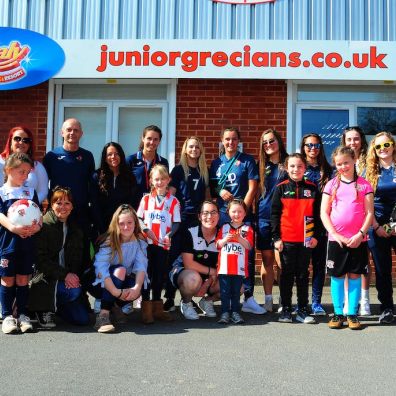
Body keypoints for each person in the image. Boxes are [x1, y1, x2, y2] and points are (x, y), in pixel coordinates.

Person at [209, 127, 264, 315]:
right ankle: (224, 296)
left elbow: (253, 187)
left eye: (233, 139)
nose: (230, 142)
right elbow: (213, 185)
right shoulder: (216, 162)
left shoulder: (247, 160)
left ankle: (248, 296)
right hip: (223, 214)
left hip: (243, 215)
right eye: (227, 139)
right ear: (222, 141)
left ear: (238, 141)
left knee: (246, 255)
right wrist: (219, 191)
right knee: (225, 253)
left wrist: (242, 210)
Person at [321, 146, 374, 330]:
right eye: (339, 164)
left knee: (354, 274)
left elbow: (369, 213)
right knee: (337, 275)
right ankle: (338, 313)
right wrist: (335, 234)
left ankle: (351, 313)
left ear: (354, 161)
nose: (343, 166)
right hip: (336, 240)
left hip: (358, 240)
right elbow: (324, 213)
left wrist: (360, 234)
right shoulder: (331, 185)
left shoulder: (364, 185)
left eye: (346, 162)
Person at [31, 186, 89, 328]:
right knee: (72, 291)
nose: (63, 207)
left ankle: (55, 308)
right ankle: (41, 309)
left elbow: (77, 258)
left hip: (65, 279)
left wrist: (73, 276)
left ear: (72, 206)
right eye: (58, 203)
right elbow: (40, 260)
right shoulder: (43, 225)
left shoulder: (75, 229)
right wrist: (65, 275)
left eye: (67, 203)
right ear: (52, 205)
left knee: (82, 319)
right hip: (44, 278)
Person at [271, 153, 319, 324]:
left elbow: (318, 215)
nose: (295, 169)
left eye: (299, 166)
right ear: (286, 168)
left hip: (306, 240)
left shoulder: (313, 188)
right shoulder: (281, 188)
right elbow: (274, 215)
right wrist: (276, 238)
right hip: (287, 240)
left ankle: (302, 309)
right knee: (286, 275)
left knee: (303, 275)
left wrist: (315, 236)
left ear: (305, 168)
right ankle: (285, 309)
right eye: (292, 166)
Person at [165, 136, 210, 312]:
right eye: (191, 147)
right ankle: (169, 297)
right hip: (181, 219)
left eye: (197, 147)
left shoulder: (203, 170)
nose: (194, 150)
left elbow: (207, 196)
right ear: (185, 149)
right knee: (173, 256)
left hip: (197, 221)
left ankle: (190, 297)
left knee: (194, 257)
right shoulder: (177, 170)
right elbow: (171, 196)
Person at [43, 118, 95, 268]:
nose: (72, 133)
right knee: (56, 248)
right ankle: (56, 286)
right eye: (69, 130)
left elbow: (90, 184)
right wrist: (53, 203)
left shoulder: (87, 156)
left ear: (81, 134)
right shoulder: (51, 156)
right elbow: (42, 182)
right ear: (62, 132)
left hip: (81, 212)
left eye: (76, 130)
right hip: (58, 212)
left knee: (81, 250)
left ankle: (80, 288)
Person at [0, 153, 41, 334]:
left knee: (23, 279)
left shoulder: (30, 193)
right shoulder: (2, 192)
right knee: (7, 279)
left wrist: (36, 228)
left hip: (27, 244)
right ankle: (7, 316)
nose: (25, 176)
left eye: (27, 173)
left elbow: (39, 216)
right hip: (8, 243)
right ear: (9, 170)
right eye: (21, 172)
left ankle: (23, 315)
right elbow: (0, 215)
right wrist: (14, 228)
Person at [93, 204, 148, 333]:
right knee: (120, 270)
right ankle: (103, 315)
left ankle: (115, 306)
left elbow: (141, 267)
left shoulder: (139, 243)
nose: (126, 227)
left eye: (129, 222)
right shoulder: (108, 241)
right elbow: (101, 270)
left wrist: (136, 288)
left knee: (138, 285)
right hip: (101, 283)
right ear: (115, 224)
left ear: (135, 223)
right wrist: (116, 292)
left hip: (119, 283)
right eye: (121, 223)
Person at [137, 164, 181, 324]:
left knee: (159, 275)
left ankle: (157, 307)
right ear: (151, 181)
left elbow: (176, 222)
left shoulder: (174, 201)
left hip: (163, 244)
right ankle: (146, 308)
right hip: (146, 243)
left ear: (168, 180)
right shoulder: (146, 199)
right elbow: (139, 218)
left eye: (163, 179)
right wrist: (145, 229)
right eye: (156, 179)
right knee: (146, 274)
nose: (160, 182)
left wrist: (170, 234)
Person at [169, 200, 220, 320]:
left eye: (213, 212)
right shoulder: (190, 232)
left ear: (219, 215)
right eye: (205, 213)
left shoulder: (223, 234)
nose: (209, 216)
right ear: (199, 216)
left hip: (209, 275)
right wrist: (212, 272)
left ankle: (207, 301)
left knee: (239, 287)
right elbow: (188, 264)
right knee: (192, 279)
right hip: (185, 272)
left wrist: (210, 279)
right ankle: (186, 303)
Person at [300, 133, 333, 315]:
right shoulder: (298, 167)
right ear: (303, 147)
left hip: (322, 222)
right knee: (302, 265)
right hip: (302, 222)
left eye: (316, 145)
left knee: (319, 265)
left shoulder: (328, 169)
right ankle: (302, 301)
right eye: (309, 145)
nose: (313, 149)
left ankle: (316, 302)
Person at [365, 132, 396, 324]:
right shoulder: (368, 172)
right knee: (382, 270)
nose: (383, 149)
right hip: (375, 226)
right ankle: (386, 308)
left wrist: (393, 225)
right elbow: (364, 203)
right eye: (378, 147)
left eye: (387, 145)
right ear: (374, 151)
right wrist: (376, 226)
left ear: (393, 146)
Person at [256, 128, 288, 312]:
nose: (268, 145)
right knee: (267, 259)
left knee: (282, 260)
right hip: (263, 218)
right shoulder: (260, 164)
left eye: (272, 141)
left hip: (284, 219)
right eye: (265, 142)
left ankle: (284, 299)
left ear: (279, 141)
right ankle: (268, 299)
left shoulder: (288, 163)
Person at [341, 126, 371, 315]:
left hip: (369, 215)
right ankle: (347, 299)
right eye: (349, 139)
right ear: (344, 142)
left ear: (362, 140)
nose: (353, 142)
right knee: (347, 263)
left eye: (356, 139)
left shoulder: (370, 161)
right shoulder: (342, 162)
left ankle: (365, 299)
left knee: (365, 261)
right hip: (350, 219)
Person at [216, 199, 254, 325]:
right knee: (225, 291)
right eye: (234, 211)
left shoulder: (247, 229)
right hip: (224, 267)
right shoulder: (224, 227)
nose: (236, 214)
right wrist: (225, 239)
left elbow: (248, 246)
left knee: (236, 291)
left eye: (240, 212)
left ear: (245, 213)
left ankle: (236, 312)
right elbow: (218, 244)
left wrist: (239, 238)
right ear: (228, 212)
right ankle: (225, 312)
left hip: (238, 267)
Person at [92, 142, 137, 235]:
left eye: (116, 154)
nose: (113, 157)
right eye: (109, 154)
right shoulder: (96, 176)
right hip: (102, 229)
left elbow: (132, 203)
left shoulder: (129, 177)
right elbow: (94, 205)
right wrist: (102, 231)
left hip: (124, 228)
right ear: (105, 157)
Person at [0, 126, 48, 204]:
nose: (21, 142)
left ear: (29, 145)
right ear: (10, 141)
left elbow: (43, 191)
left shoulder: (37, 166)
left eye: (26, 140)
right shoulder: (0, 162)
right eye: (17, 139)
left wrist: (29, 206)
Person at [127, 125, 169, 207]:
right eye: (149, 138)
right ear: (143, 138)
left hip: (156, 209)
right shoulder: (131, 160)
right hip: (135, 208)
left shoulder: (163, 162)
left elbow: (165, 185)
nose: (152, 142)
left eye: (155, 139)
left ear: (159, 141)